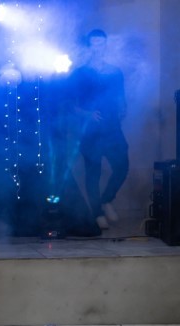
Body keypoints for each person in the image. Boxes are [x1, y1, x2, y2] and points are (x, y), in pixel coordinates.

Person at [70, 29, 128, 231]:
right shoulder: (80, 73)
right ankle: (97, 213)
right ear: (88, 46)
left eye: (101, 43)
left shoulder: (115, 71)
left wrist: (123, 109)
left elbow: (121, 97)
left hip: (112, 127)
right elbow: (70, 105)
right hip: (90, 130)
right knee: (93, 173)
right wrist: (87, 114)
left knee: (122, 166)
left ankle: (106, 200)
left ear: (105, 45)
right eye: (94, 43)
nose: (97, 48)